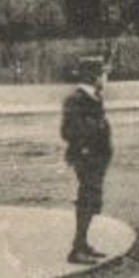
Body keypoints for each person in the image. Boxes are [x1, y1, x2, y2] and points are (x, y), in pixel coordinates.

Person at [61, 56, 113, 265]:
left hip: (96, 157)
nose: (105, 77)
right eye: (102, 73)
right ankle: (77, 249)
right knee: (86, 200)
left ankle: (83, 244)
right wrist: (95, 131)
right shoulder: (76, 99)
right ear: (92, 76)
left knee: (92, 199)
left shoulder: (93, 96)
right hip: (86, 156)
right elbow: (68, 130)